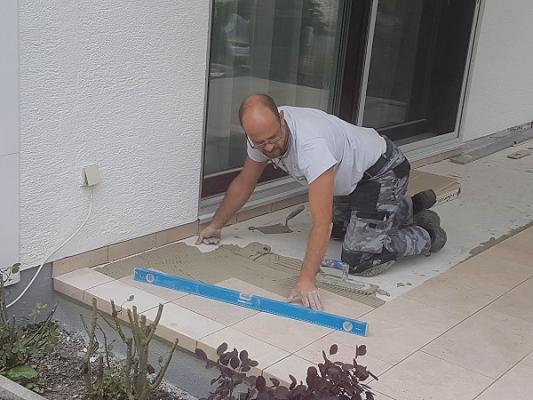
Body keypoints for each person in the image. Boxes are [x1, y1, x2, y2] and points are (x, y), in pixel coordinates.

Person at [197, 94, 446, 310]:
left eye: (273, 138)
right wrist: (216, 225)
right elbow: (245, 182)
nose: (269, 148)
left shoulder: (311, 145)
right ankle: (406, 207)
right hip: (351, 181)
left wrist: (306, 280)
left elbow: (321, 223)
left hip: (381, 174)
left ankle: (427, 232)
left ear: (281, 118)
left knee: (360, 259)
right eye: (261, 143)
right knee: (340, 231)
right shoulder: (260, 133)